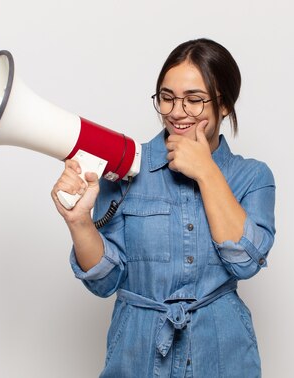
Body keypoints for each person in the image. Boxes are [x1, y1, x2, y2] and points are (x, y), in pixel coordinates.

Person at [51, 38, 275, 378]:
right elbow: (105, 281)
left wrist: (206, 171)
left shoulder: (253, 177)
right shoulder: (126, 167)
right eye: (167, 97)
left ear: (225, 104)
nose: (176, 111)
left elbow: (245, 260)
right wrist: (79, 221)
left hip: (221, 353)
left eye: (194, 100)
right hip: (137, 352)